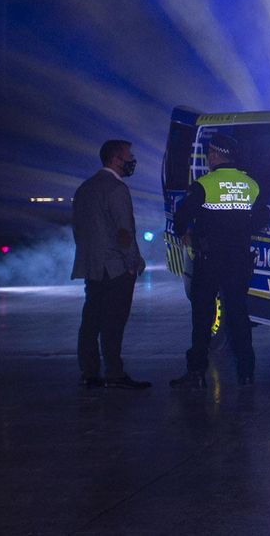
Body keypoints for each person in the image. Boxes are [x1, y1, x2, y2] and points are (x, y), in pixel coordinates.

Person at [169, 133, 266, 388]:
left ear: (214, 155)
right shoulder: (251, 185)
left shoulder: (205, 185)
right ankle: (246, 372)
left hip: (209, 259)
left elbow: (180, 217)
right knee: (238, 315)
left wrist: (187, 234)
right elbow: (262, 221)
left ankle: (197, 373)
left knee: (203, 317)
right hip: (239, 260)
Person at [71, 139, 150, 389]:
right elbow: (124, 231)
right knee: (114, 323)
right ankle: (114, 373)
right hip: (115, 267)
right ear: (116, 159)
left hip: (92, 266)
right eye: (129, 156)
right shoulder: (116, 189)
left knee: (91, 320)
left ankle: (89, 372)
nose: (132, 160)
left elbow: (79, 228)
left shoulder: (85, 188)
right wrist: (132, 262)